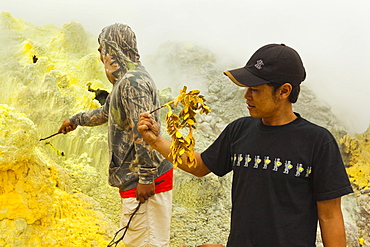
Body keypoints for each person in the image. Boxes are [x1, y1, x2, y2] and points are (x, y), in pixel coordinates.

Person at [138, 44, 353, 246]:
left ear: (284, 91)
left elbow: (330, 216)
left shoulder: (318, 142)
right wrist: (156, 140)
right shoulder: (240, 130)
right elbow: (200, 165)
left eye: (255, 90)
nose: (246, 95)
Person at [58, 23, 173, 247]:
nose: (100, 56)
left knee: (145, 242)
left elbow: (145, 131)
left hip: (147, 183)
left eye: (102, 49)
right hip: (137, 180)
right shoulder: (127, 80)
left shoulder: (132, 83)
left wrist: (147, 178)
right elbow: (105, 112)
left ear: (112, 48)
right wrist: (75, 120)